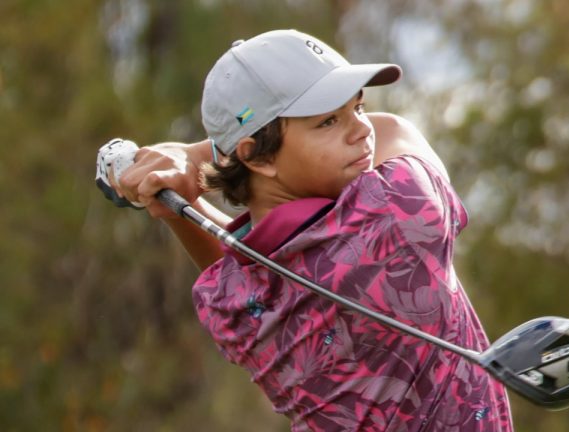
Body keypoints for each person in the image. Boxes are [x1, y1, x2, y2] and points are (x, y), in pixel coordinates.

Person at [112, 29, 513, 431]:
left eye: (358, 107)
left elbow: (243, 259)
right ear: (258, 156)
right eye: (328, 121)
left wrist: (184, 185)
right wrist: (195, 156)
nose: (361, 130)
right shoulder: (400, 212)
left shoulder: (230, 304)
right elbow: (396, 130)